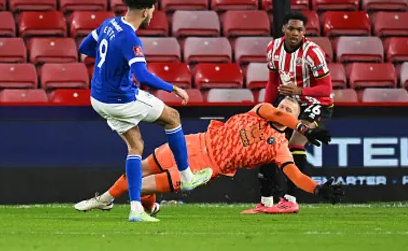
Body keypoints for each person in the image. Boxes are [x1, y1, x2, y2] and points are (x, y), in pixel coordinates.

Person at [74, 97, 344, 218]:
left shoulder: (280, 148)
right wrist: (302, 126)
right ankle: (124, 204)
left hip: (204, 167)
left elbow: (295, 175)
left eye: (289, 108)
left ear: (295, 114)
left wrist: (317, 188)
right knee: (137, 168)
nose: (282, 108)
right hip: (193, 142)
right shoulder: (261, 110)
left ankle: (108, 200)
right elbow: (276, 115)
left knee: (140, 185)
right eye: (282, 104)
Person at [77, 0, 210, 222]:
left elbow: (84, 48)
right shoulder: (130, 38)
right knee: (173, 117)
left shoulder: (110, 24)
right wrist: (174, 88)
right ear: (147, 11)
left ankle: (136, 210)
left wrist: (108, 67)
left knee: (135, 147)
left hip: (98, 99)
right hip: (120, 98)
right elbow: (143, 75)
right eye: (153, 11)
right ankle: (187, 176)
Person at [242, 11, 334, 215]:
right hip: (289, 101)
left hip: (316, 102)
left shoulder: (313, 53)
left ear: (304, 32)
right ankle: (266, 202)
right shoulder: (273, 48)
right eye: (291, 28)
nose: (295, 33)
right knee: (268, 143)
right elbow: (273, 82)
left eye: (299, 30)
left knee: (296, 143)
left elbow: (326, 89)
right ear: (283, 29)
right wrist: (265, 110)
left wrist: (300, 91)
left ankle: (291, 200)